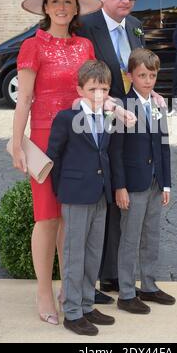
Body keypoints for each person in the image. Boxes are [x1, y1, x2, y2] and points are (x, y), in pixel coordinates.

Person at [11, 0, 103, 325]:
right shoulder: (32, 46)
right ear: (45, 8)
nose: (62, 7)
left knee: (71, 218)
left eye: (68, 1)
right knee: (47, 216)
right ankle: (44, 291)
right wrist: (17, 142)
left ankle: (71, 288)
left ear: (76, 8)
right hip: (44, 142)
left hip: (79, 140)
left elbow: (94, 92)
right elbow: (24, 101)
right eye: (55, 1)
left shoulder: (85, 47)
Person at [78, 0, 165, 304]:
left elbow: (140, 72)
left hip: (129, 129)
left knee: (123, 198)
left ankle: (116, 275)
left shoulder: (137, 27)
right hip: (96, 127)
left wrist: (151, 94)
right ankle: (95, 280)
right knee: (102, 201)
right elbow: (83, 77)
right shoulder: (85, 28)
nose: (126, 0)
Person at [46, 60, 115, 336]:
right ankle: (72, 311)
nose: (98, 94)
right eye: (93, 89)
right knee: (74, 254)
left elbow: (105, 154)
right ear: (80, 90)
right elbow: (54, 156)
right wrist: (63, 189)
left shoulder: (108, 117)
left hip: (100, 192)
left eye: (104, 89)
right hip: (75, 195)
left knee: (93, 252)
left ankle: (87, 303)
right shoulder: (66, 118)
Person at [109, 48, 175, 314]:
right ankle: (126, 292)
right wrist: (120, 186)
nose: (148, 80)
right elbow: (115, 151)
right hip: (133, 184)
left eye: (152, 75)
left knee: (151, 235)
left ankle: (148, 285)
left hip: (155, 183)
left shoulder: (158, 105)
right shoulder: (122, 107)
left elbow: (164, 146)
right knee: (130, 238)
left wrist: (166, 183)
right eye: (142, 75)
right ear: (130, 76)